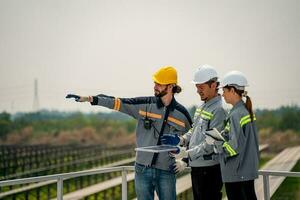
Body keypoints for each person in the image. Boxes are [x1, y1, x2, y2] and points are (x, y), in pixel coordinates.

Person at [66, 66, 192, 200]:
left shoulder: (182, 114)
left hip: (167, 171)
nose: (155, 86)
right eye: (155, 82)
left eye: (159, 83)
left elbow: (194, 138)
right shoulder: (144, 105)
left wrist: (184, 161)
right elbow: (118, 102)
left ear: (171, 86)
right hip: (142, 170)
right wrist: (91, 99)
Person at [161, 65, 226, 200]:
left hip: (210, 170)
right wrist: (181, 140)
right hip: (198, 167)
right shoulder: (202, 107)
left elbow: (210, 144)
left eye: (201, 87)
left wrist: (186, 154)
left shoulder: (218, 110)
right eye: (197, 87)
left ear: (213, 85)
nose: (198, 91)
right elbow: (194, 130)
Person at [206, 70, 259, 200]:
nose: (222, 95)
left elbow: (234, 146)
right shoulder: (244, 111)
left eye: (224, 91)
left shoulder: (236, 114)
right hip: (246, 171)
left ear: (233, 91)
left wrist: (217, 145)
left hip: (237, 172)